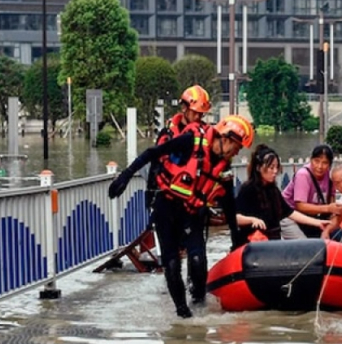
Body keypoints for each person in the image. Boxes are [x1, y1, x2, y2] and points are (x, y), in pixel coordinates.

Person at [108, 114, 254, 318]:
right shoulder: (191, 141)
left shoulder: (223, 166)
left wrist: (235, 238)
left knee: (197, 260)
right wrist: (125, 175)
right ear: (225, 138)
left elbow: (229, 203)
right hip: (165, 206)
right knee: (172, 263)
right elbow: (153, 152)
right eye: (236, 148)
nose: (235, 154)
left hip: (191, 212)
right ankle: (182, 313)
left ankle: (199, 306)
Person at [233, 144, 330, 249]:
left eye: (276, 167)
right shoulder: (248, 189)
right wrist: (252, 220)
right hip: (253, 245)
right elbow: (235, 218)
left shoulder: (273, 190)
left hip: (272, 242)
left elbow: (289, 212)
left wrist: (318, 223)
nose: (275, 171)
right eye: (271, 168)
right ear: (258, 168)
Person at [145, 85, 212, 220]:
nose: (198, 117)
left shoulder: (205, 135)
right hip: (167, 200)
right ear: (184, 108)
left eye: (201, 114)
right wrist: (151, 194)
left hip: (193, 204)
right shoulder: (168, 134)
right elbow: (155, 162)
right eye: (195, 112)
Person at [280, 144, 342, 239]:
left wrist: (328, 229)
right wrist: (328, 208)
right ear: (311, 160)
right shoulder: (303, 175)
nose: (320, 166)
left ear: (330, 165)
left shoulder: (330, 177)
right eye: (316, 161)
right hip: (291, 215)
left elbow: (332, 206)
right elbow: (300, 206)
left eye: (325, 163)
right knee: (307, 246)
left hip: (314, 217)